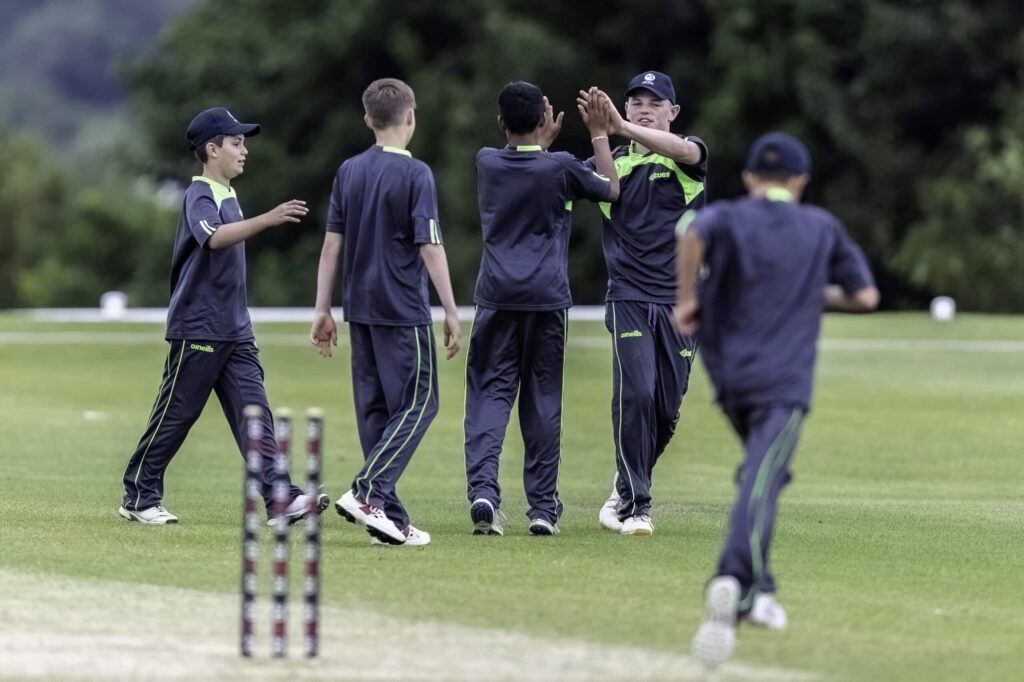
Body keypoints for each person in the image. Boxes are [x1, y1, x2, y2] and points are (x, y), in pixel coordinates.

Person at [676, 132, 879, 668]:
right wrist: (815, 294)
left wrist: (687, 299)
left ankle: (763, 589)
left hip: (730, 381)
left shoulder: (727, 215)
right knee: (763, 478)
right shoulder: (820, 226)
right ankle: (735, 582)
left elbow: (690, 233)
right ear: (800, 182)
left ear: (749, 179)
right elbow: (865, 296)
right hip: (784, 385)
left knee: (763, 474)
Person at [119, 107, 328, 525]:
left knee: (256, 416)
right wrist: (268, 218)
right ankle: (139, 496)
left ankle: (280, 498)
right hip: (198, 327)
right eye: (236, 143)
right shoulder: (200, 194)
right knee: (177, 415)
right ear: (212, 150)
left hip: (235, 330)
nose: (244, 150)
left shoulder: (228, 194)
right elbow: (213, 238)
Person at [310, 78, 461, 547]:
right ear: (411, 116)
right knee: (419, 404)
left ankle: (387, 518)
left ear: (367, 119)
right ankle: (367, 492)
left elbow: (331, 244)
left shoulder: (348, 170)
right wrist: (451, 310)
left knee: (376, 412)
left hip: (359, 307)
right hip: (402, 308)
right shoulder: (417, 174)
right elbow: (430, 246)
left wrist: (322, 309)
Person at [464, 82, 619, 537]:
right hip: (546, 297)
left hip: (496, 296)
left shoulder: (486, 162)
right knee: (542, 399)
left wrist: (539, 143)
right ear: (542, 120)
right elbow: (611, 189)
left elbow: (526, 162)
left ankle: (484, 492)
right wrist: (598, 133)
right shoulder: (562, 167)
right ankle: (542, 508)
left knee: (490, 394)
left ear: (500, 122)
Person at [580, 72, 709, 536]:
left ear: (673, 112)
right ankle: (637, 506)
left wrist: (620, 126)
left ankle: (624, 485)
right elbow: (584, 182)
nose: (643, 109)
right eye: (635, 102)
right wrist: (595, 136)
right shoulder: (609, 162)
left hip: (681, 302)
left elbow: (685, 151)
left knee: (666, 410)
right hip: (629, 297)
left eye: (654, 103)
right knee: (635, 394)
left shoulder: (687, 156)